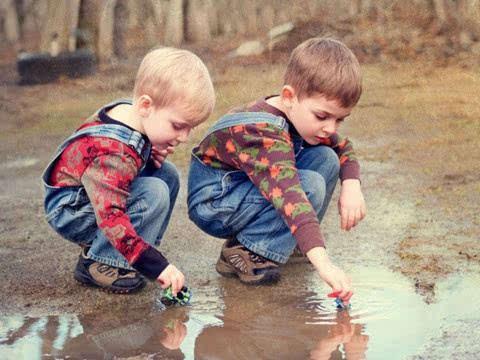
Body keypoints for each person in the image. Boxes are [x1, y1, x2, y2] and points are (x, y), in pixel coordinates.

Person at [187, 37, 366, 304]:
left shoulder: (299, 115)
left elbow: (342, 146)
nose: (331, 127)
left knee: (326, 158)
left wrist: (352, 185)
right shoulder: (263, 132)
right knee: (309, 186)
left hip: (242, 188)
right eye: (322, 116)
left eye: (339, 119)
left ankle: (287, 243)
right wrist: (324, 265)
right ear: (289, 97)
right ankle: (247, 252)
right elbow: (291, 196)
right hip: (214, 200)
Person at [42, 47, 215, 295]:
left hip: (90, 197)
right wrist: (157, 266)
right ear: (146, 105)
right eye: (178, 126)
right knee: (154, 191)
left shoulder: (130, 113)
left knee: (167, 175)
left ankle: (136, 251)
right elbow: (111, 215)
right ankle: (102, 262)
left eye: (190, 128)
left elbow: (125, 161)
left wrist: (146, 152)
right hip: (71, 211)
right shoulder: (113, 153)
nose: (184, 138)